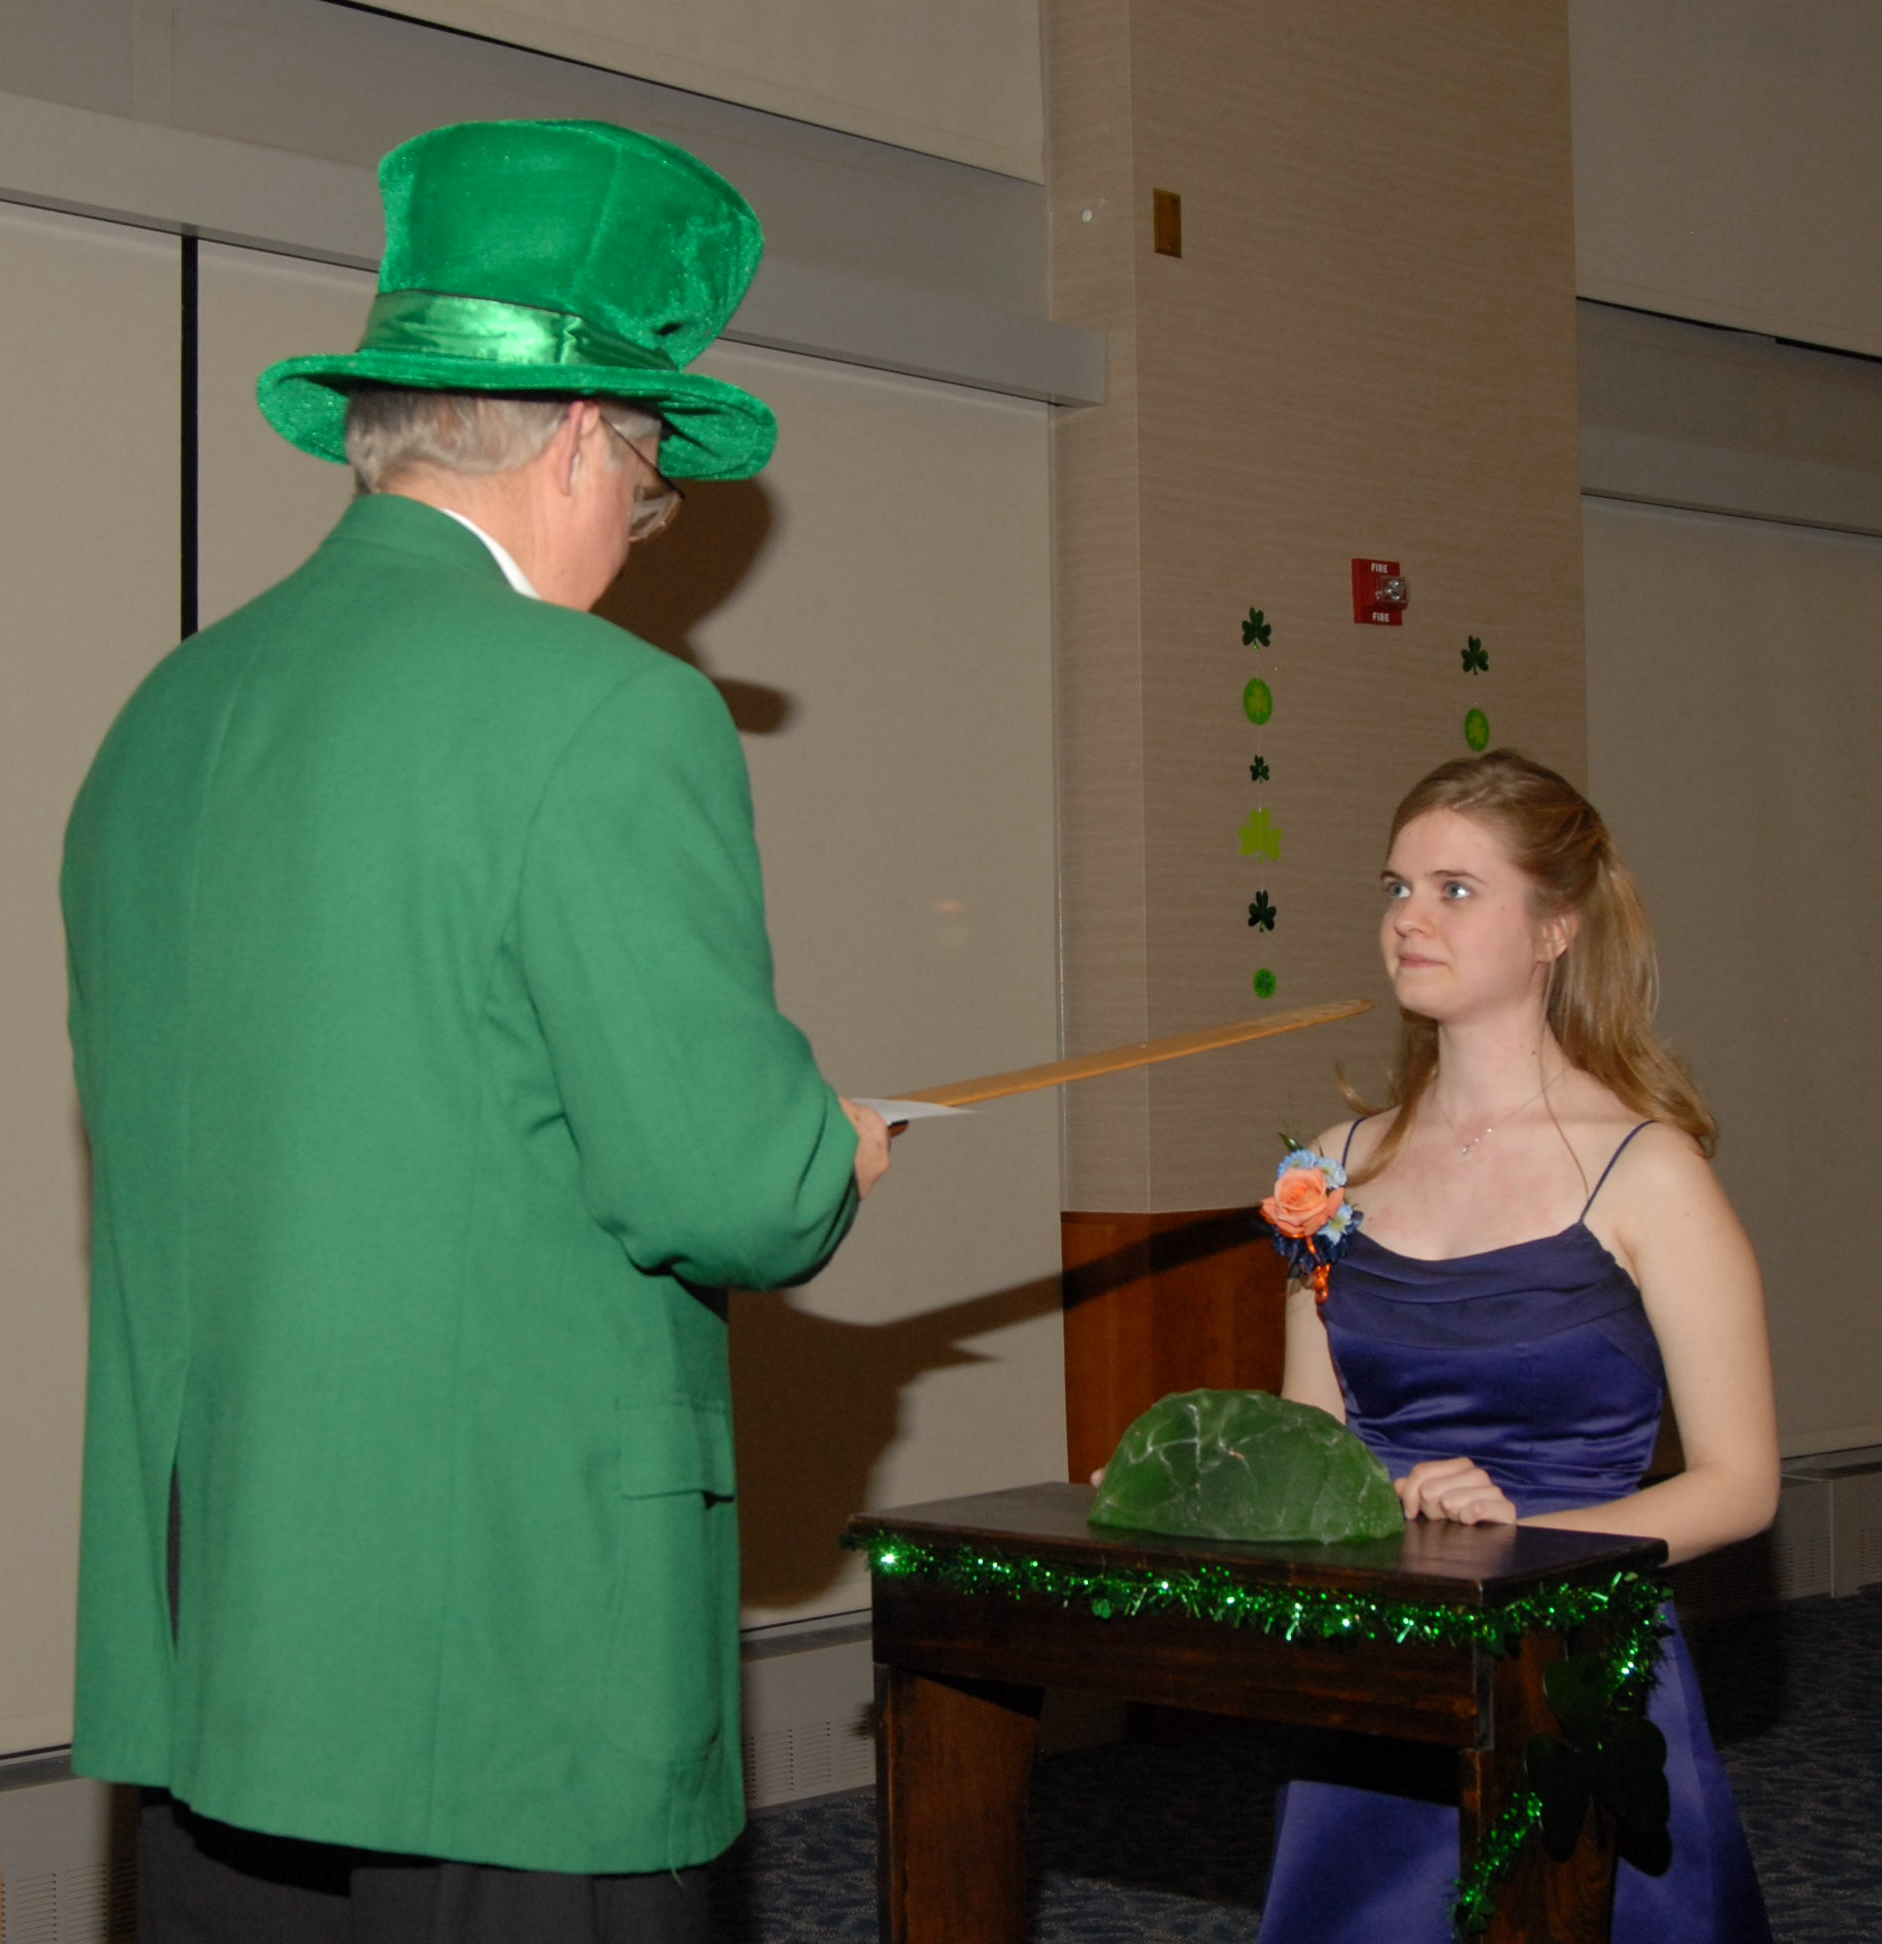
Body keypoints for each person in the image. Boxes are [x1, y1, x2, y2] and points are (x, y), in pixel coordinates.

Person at [61, 118, 891, 1944]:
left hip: (231, 1635)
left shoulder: (167, 715)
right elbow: (724, 1179)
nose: (642, 532)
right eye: (653, 481)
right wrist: (830, 1143)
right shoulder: (605, 711)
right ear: (592, 432)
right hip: (507, 1640)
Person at [1260, 748, 1777, 1943]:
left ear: (1554, 930)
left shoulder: (1649, 1171)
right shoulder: (1327, 1168)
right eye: (1396, 889)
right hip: (1383, 1663)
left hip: (1580, 1659)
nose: (1409, 921)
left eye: (1454, 890)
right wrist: (1383, 1503)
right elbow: (1307, 1448)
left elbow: (1740, 1484)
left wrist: (1518, 1550)